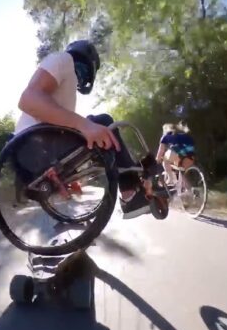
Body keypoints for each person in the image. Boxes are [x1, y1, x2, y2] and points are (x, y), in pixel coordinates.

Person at [16, 39, 151, 219]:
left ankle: (131, 186)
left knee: (99, 133)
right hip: (31, 147)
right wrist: (84, 124)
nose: (81, 76)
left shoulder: (66, 89)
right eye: (83, 71)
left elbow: (59, 127)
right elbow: (28, 100)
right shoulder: (63, 60)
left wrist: (71, 175)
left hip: (34, 154)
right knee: (104, 122)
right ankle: (130, 191)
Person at [155, 121, 196, 187]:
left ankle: (171, 178)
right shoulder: (184, 134)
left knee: (165, 160)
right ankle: (190, 190)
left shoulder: (165, 136)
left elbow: (161, 150)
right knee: (181, 171)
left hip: (177, 152)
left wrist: (157, 159)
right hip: (190, 157)